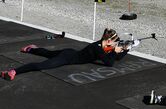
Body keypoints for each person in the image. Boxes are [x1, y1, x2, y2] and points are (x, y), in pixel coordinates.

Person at [1, 28, 131, 81]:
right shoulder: (97, 47)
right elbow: (110, 63)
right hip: (68, 57)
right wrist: (115, 51)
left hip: (70, 52)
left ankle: (31, 49)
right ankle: (13, 71)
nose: (115, 44)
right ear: (108, 40)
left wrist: (126, 49)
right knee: (43, 65)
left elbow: (116, 57)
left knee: (48, 53)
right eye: (114, 42)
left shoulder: (104, 45)